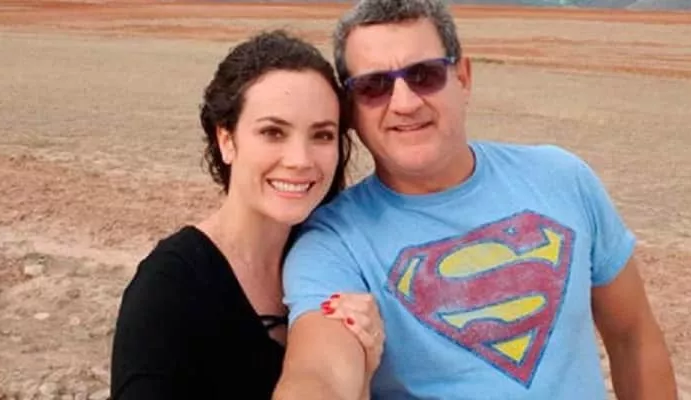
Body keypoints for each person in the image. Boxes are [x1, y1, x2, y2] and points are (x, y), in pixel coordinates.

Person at [273, 0, 678, 399]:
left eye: (424, 75)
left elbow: (633, 335)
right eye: (374, 86)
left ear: (463, 78)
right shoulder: (333, 242)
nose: (405, 103)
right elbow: (319, 372)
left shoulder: (562, 178)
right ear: (351, 106)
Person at [109, 30, 384, 399]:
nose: (300, 160)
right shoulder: (171, 288)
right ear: (226, 140)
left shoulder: (335, 257)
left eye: (321, 135)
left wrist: (362, 374)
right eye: (273, 132)